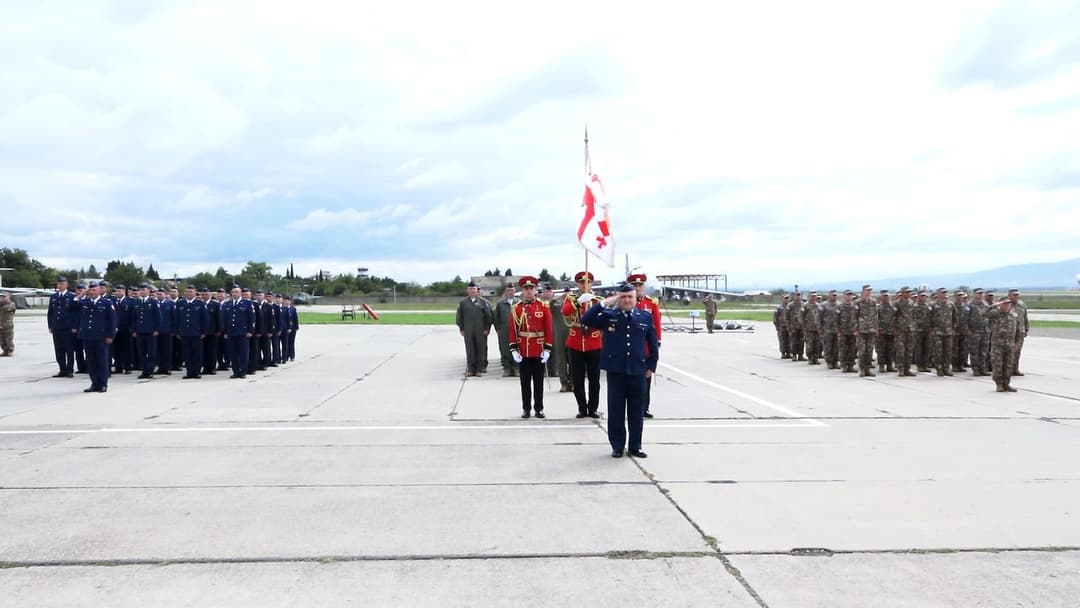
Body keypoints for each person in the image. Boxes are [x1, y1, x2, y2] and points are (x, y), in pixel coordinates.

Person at [581, 283, 659, 459]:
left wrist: (651, 366)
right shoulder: (609, 316)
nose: (627, 300)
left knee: (636, 412)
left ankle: (635, 446)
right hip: (616, 371)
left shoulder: (645, 317)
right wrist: (605, 302)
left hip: (638, 371)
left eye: (630, 297)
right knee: (616, 411)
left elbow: (653, 343)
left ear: (635, 298)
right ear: (618, 298)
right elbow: (586, 319)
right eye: (623, 297)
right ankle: (617, 446)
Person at [509, 276, 553, 419]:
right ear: (523, 290)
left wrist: (547, 349)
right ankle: (526, 408)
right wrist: (513, 349)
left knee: (539, 382)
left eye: (531, 288)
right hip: (523, 350)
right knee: (525, 382)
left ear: (535, 290)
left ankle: (539, 408)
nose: (529, 291)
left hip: (538, 349)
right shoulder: (516, 308)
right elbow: (512, 330)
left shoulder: (543, 306)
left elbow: (549, 329)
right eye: (526, 289)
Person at [563, 271, 604, 417]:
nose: (585, 285)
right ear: (577, 284)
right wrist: (578, 302)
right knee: (577, 378)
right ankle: (582, 407)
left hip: (593, 341)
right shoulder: (571, 298)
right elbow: (565, 311)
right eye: (582, 283)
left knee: (594, 378)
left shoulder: (598, 300)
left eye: (588, 282)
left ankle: (593, 408)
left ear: (591, 284)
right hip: (576, 342)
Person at [71, 281, 117, 393]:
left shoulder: (106, 302)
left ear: (99, 290)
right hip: (87, 336)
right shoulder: (85, 302)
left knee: (102, 362)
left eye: (94, 290)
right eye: (90, 290)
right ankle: (94, 383)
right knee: (91, 362)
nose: (91, 292)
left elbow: (112, 321)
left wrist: (110, 335)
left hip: (101, 337)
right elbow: (71, 307)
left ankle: (103, 384)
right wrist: (82, 294)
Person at [629, 274, 662, 418]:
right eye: (634, 285)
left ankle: (644, 408)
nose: (637, 288)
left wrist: (657, 341)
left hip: (646, 347)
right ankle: (632, 408)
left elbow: (656, 324)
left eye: (640, 285)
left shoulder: (651, 302)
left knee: (646, 380)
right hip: (630, 347)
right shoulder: (626, 302)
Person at [455, 281, 493, 377]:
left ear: (477, 290)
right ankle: (470, 369)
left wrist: (487, 328)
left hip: (480, 331)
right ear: (467, 290)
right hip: (468, 330)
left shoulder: (483, 302)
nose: (472, 291)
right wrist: (461, 328)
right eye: (470, 289)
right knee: (470, 350)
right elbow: (459, 317)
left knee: (480, 350)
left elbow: (488, 317)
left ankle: (478, 370)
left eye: (474, 289)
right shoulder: (463, 303)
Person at [221, 286, 255, 379]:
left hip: (243, 333)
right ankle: (236, 371)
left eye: (236, 292)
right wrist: (225, 332)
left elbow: (251, 319)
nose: (234, 294)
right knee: (233, 353)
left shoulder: (247, 303)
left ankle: (243, 371)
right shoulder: (228, 304)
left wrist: (250, 331)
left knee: (243, 353)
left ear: (240, 293)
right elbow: (224, 319)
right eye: (233, 292)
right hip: (231, 333)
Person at [176, 285, 209, 379]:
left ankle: (197, 372)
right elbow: (177, 318)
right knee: (187, 353)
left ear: (195, 293)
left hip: (196, 333)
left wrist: (204, 332)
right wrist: (177, 331)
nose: (188, 293)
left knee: (197, 353)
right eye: (187, 292)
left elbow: (205, 319)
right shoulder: (180, 303)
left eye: (190, 292)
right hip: (184, 333)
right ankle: (189, 372)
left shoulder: (200, 303)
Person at [986, 298, 1019, 392]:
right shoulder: (995, 315)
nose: (1007, 306)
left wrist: (1017, 343)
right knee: (998, 365)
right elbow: (984, 313)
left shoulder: (1014, 315)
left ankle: (1006, 384)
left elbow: (1018, 330)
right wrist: (995, 305)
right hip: (998, 345)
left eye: (1008, 304)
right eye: (1004, 304)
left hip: (1010, 345)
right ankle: (999, 384)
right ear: (1000, 305)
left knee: (1008, 365)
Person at [47, 275, 76, 377]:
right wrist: (50, 325)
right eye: (58, 284)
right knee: (59, 350)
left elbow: (75, 313)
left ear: (66, 285)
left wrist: (74, 326)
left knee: (69, 350)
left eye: (62, 283)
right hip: (56, 327)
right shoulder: (53, 297)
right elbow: (50, 312)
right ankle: (62, 369)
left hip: (68, 328)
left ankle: (70, 370)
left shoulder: (71, 296)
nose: (59, 285)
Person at [132, 283, 160, 379]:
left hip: (150, 331)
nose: (142, 291)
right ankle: (144, 371)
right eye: (140, 290)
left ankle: (150, 371)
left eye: (144, 290)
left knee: (151, 352)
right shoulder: (137, 302)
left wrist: (156, 329)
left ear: (148, 291)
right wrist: (134, 330)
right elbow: (134, 318)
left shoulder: (153, 302)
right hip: (140, 331)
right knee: (141, 352)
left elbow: (158, 317)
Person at [548, 285, 573, 392]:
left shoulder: (574, 304)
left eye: (569, 293)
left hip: (572, 335)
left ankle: (572, 382)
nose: (567, 295)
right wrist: (559, 297)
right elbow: (547, 304)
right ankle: (564, 383)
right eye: (566, 293)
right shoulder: (556, 304)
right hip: (559, 335)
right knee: (561, 360)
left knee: (572, 360)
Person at [929, 288, 955, 377]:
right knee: (938, 352)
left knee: (948, 352)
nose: (944, 294)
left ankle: (946, 369)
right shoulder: (932, 305)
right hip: (937, 332)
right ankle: (939, 369)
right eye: (942, 293)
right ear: (938, 294)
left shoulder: (950, 305)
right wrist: (931, 329)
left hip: (948, 332)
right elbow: (928, 318)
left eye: (945, 293)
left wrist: (953, 328)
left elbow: (955, 317)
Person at [493, 284, 517, 377]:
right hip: (504, 330)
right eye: (508, 290)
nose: (510, 292)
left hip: (516, 330)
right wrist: (497, 329)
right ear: (505, 292)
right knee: (505, 349)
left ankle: (516, 368)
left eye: (512, 290)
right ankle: (507, 369)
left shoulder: (519, 302)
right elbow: (496, 317)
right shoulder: (500, 304)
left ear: (514, 291)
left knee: (516, 349)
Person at [966, 288, 990, 376]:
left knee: (983, 351)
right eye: (978, 293)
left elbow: (989, 317)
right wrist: (967, 329)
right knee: (974, 351)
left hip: (985, 331)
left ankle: (983, 368)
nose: (980, 295)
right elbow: (965, 318)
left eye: (981, 293)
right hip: (974, 332)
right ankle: (975, 369)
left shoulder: (985, 304)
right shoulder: (969, 305)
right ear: (974, 294)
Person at [893, 287, 916, 377]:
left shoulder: (911, 303)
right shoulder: (897, 303)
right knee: (900, 350)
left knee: (909, 350)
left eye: (909, 292)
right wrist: (894, 328)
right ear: (902, 293)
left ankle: (907, 369)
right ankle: (901, 369)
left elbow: (913, 316)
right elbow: (893, 316)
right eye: (906, 292)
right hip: (900, 330)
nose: (908, 293)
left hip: (910, 329)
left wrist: (913, 326)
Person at [154, 288, 176, 375]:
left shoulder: (170, 304)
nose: (159, 296)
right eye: (158, 294)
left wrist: (173, 330)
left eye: (161, 294)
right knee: (158, 351)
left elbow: (174, 318)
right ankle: (160, 367)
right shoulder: (154, 303)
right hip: (156, 331)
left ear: (165, 295)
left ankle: (167, 368)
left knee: (167, 350)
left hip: (167, 331)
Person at [1008, 289, 1029, 376]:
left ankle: (1015, 369)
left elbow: (1025, 318)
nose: (1016, 296)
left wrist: (1026, 329)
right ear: (1009, 296)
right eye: (1014, 295)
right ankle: (1007, 369)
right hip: (1009, 332)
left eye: (1017, 295)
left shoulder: (1022, 305)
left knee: (1017, 352)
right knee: (1009, 351)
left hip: (1020, 331)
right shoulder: (1006, 305)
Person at [837, 290, 857, 373]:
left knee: (853, 350)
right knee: (843, 350)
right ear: (844, 296)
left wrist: (857, 329)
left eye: (850, 295)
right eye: (847, 295)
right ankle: (844, 366)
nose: (849, 296)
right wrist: (838, 330)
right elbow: (836, 319)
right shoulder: (840, 306)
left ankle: (851, 366)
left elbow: (858, 317)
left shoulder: (855, 306)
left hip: (853, 332)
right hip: (843, 331)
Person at [876, 289, 896, 373]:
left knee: (890, 349)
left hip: (891, 331)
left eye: (887, 296)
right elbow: (875, 319)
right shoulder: (878, 307)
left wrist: (895, 328)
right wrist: (877, 329)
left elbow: (895, 317)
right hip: (882, 331)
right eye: (884, 296)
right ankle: (881, 366)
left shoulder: (893, 307)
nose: (886, 298)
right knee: (881, 350)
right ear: (881, 297)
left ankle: (889, 366)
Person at [202, 287, 221, 375]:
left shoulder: (215, 304)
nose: (204, 296)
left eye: (206, 294)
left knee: (212, 351)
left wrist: (219, 329)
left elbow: (218, 317)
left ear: (210, 295)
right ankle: (205, 368)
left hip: (213, 331)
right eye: (203, 294)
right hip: (202, 332)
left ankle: (212, 368)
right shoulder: (200, 304)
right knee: (204, 351)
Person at [820, 290, 840, 369]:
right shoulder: (823, 305)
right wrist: (820, 328)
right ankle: (829, 362)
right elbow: (818, 317)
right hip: (827, 329)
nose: (834, 296)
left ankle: (835, 362)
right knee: (828, 347)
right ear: (829, 296)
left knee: (836, 347)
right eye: (833, 295)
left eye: (835, 295)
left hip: (837, 330)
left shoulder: (839, 305)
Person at [801, 291, 821, 365]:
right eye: (812, 296)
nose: (813, 298)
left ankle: (816, 358)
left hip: (817, 328)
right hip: (808, 328)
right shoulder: (805, 306)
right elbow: (801, 317)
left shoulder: (819, 306)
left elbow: (821, 316)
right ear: (809, 297)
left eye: (815, 296)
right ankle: (810, 358)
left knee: (817, 344)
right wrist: (804, 326)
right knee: (810, 344)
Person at [786, 292, 804, 361]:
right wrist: (788, 325)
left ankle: (800, 355)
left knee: (801, 342)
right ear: (794, 297)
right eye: (797, 295)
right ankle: (794, 355)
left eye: (799, 295)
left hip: (801, 326)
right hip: (793, 326)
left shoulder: (803, 304)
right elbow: (787, 316)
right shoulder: (790, 305)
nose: (798, 297)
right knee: (794, 341)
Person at [0, 291, 15, 356]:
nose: (2, 298)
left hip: (8, 325)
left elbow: (8, 308)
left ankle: (10, 350)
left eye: (4, 297)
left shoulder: (11, 304)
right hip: (0, 324)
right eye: (1, 297)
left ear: (8, 297)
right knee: (1, 340)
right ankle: (5, 351)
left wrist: (3, 303)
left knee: (8, 339)